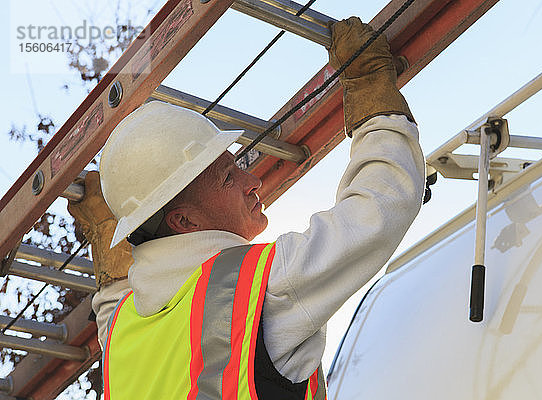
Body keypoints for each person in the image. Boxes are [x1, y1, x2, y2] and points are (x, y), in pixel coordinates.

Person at [68, 17, 425, 399]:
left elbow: (112, 301)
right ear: (182, 219)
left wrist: (109, 231)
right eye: (228, 176)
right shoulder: (254, 287)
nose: (251, 180)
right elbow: (379, 209)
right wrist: (371, 88)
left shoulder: (123, 333)